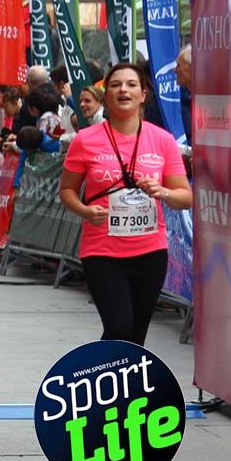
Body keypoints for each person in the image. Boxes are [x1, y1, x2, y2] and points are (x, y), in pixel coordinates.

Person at [58, 63, 192, 345]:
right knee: (119, 327)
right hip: (102, 252)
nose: (123, 90)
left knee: (136, 335)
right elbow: (67, 191)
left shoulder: (163, 140)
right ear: (106, 96)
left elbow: (185, 197)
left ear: (143, 95)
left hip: (150, 252)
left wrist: (162, 192)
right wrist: (84, 210)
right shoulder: (85, 140)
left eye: (131, 85)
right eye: (116, 85)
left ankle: (124, 388)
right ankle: (108, 382)